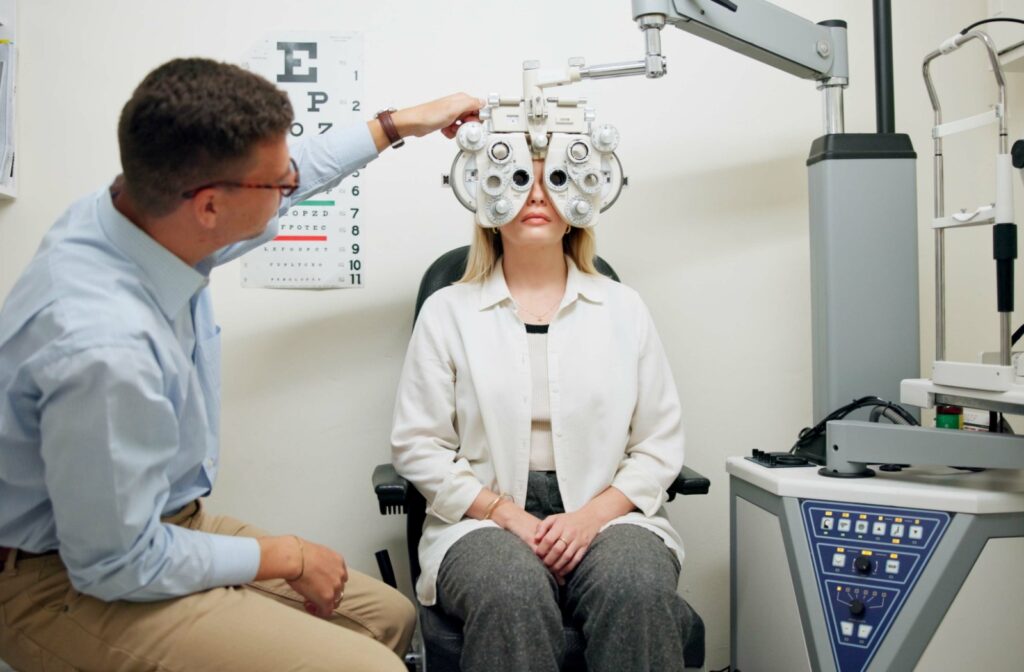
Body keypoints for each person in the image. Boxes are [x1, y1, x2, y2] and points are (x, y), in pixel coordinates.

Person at [0, 57, 482, 672]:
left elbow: (299, 171)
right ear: (208, 209)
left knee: (390, 618)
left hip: (167, 521)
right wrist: (286, 556)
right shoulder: (103, 346)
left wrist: (398, 125)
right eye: (278, 185)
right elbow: (116, 562)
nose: (290, 188)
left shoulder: (138, 210)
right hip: (63, 579)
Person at [391, 157, 694, 672]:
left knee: (636, 583)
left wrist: (589, 518)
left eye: (554, 179)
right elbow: (418, 445)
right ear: (484, 198)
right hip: (481, 515)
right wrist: (507, 514)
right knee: (509, 588)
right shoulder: (447, 311)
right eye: (514, 179)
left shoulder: (624, 308)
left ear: (581, 198)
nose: (535, 195)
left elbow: (657, 443)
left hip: (608, 511)